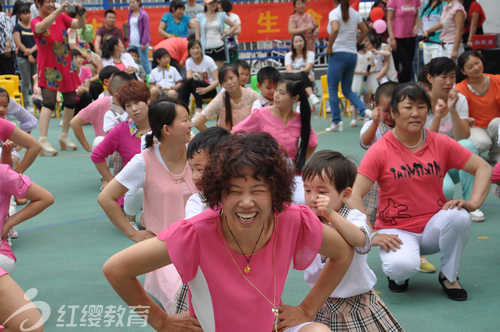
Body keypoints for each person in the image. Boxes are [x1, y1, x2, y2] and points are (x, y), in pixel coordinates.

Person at [103, 131, 353, 331]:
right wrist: (161, 321)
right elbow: (116, 269)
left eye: (258, 190)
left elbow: (342, 252)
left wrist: (307, 309)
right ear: (218, 192)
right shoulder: (196, 233)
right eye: (234, 190)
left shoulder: (292, 220)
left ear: (275, 191)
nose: (246, 202)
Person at [350, 83, 492, 301]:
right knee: (401, 267)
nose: (416, 113)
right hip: (397, 231)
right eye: (408, 107)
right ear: (394, 113)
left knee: (459, 216)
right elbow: (354, 196)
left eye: (421, 106)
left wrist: (473, 203)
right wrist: (371, 234)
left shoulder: (440, 142)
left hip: (435, 225)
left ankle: (449, 276)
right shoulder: (380, 149)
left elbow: (483, 167)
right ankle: (398, 277)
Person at [278, 150, 403, 331]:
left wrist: (330, 214)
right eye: (307, 190)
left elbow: (360, 240)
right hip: (323, 301)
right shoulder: (306, 221)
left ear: (345, 194)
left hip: (357, 303)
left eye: (322, 191)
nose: (312, 198)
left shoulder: (353, 217)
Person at [99, 98, 196, 312]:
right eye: (186, 120)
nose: (191, 124)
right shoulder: (144, 161)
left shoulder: (198, 153)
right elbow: (106, 198)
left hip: (203, 244)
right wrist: (133, 234)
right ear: (166, 129)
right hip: (166, 250)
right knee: (187, 304)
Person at [233, 78, 317, 204]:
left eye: (282, 93)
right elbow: (235, 133)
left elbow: (312, 143)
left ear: (295, 98)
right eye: (276, 90)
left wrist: (298, 162)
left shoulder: (300, 119)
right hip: (264, 173)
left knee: (302, 201)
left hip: (291, 175)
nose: (276, 95)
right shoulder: (261, 114)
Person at [0, 144, 54, 332]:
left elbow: (45, 198)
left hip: (1, 254)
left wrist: (8, 224)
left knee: (30, 325)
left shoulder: (2, 174)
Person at [425, 57, 484, 221]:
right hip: (428, 161)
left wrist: (452, 109)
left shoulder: (460, 99)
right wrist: (438, 115)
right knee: (447, 191)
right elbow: (427, 141)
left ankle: (470, 204)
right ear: (430, 78)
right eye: (443, 77)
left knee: (467, 145)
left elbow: (462, 136)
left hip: (450, 161)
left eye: (452, 76)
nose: (448, 82)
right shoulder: (420, 101)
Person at [31, 0, 86, 156]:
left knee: (70, 100)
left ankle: (64, 135)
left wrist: (81, 14)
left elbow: (79, 25)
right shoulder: (36, 21)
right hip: (48, 66)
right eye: (47, 1)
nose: (51, 4)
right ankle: (42, 139)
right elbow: (41, 28)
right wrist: (59, 10)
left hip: (65, 64)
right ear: (38, 3)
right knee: (48, 102)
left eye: (52, 1)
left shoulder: (61, 18)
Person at [91, 80, 150, 193]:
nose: (133, 108)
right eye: (128, 105)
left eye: (137, 102)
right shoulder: (121, 130)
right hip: (133, 190)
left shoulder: (163, 125)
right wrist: (112, 181)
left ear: (148, 100)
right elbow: (97, 155)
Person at [325, 0, 370, 133]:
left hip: (337, 54)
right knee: (347, 90)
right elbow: (365, 30)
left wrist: (329, 47)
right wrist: (355, 43)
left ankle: (336, 121)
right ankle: (365, 110)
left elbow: (335, 28)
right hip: (352, 54)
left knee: (332, 89)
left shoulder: (334, 12)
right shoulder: (355, 13)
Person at [70, 71, 134, 153]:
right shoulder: (102, 103)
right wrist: (88, 147)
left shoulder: (133, 103)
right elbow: (74, 122)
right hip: (108, 152)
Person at [456, 50, 500, 163]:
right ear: (463, 71)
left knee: (497, 122)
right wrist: (466, 119)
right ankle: (476, 157)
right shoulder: (460, 88)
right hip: (475, 127)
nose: (476, 68)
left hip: (495, 125)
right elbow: (459, 113)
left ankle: (496, 153)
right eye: (470, 67)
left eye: (477, 62)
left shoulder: (497, 80)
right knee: (482, 143)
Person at [194, 64, 259, 131]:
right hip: (228, 140)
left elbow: (266, 109)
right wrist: (214, 139)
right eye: (224, 80)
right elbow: (197, 123)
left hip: (249, 139)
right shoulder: (220, 99)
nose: (229, 82)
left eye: (231, 78)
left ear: (238, 77)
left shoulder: (251, 94)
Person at [179, 39, 219, 117]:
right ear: (189, 51)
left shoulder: (208, 60)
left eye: (197, 48)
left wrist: (206, 89)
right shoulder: (189, 61)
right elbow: (188, 76)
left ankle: (198, 109)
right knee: (189, 82)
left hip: (210, 90)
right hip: (197, 91)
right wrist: (195, 76)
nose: (195, 51)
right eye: (193, 49)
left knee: (194, 82)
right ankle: (184, 107)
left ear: (201, 49)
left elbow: (217, 80)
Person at [194, 0, 237, 69]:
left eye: (215, 2)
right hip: (206, 48)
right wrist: (197, 49)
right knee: (207, 72)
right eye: (211, 2)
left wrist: (226, 34)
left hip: (219, 47)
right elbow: (197, 36)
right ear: (205, 4)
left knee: (218, 72)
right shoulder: (199, 16)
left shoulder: (221, 15)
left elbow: (234, 26)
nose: (213, 4)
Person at [387, 0, 420, 83]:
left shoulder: (416, 1)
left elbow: (416, 16)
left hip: (411, 37)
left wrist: (416, 26)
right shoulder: (393, 1)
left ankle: (406, 88)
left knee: (409, 65)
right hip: (398, 38)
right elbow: (389, 20)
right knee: (406, 65)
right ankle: (399, 85)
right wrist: (392, 38)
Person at [284, 34, 320, 107]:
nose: (299, 43)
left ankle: (299, 106)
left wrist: (303, 74)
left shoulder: (310, 54)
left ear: (304, 42)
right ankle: (312, 96)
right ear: (293, 44)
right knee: (301, 75)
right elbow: (289, 71)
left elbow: (307, 69)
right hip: (295, 79)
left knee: (302, 78)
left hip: (308, 80)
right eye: (296, 41)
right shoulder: (288, 55)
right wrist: (303, 74)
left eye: (300, 41)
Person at [13, 3, 37, 108]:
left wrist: (31, 51)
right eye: (25, 13)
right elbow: (18, 42)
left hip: (35, 56)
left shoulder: (34, 25)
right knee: (26, 81)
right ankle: (26, 104)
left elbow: (38, 41)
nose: (28, 15)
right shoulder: (17, 27)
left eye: (29, 13)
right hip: (23, 57)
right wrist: (28, 53)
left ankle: (36, 102)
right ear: (20, 15)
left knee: (35, 81)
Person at [351, 44, 377, 127]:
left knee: (367, 99)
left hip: (367, 79)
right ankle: (354, 119)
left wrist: (370, 71)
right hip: (358, 80)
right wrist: (362, 72)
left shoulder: (370, 54)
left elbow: (374, 66)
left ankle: (367, 118)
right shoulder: (355, 54)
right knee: (356, 100)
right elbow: (353, 69)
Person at [127, 0, 151, 75]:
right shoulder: (130, 13)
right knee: (132, 63)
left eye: (133, 2)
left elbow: (146, 29)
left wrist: (144, 43)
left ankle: (149, 81)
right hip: (132, 43)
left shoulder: (143, 14)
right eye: (130, 2)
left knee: (144, 64)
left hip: (141, 43)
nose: (131, 4)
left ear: (138, 2)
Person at [419, 0, 446, 64]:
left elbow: (444, 22)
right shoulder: (427, 5)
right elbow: (419, 19)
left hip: (438, 42)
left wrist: (429, 31)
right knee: (427, 67)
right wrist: (425, 32)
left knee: (436, 66)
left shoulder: (444, 4)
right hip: (427, 42)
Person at [71, 49, 93, 115]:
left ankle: (86, 116)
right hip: (71, 100)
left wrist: (82, 89)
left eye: (80, 57)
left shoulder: (86, 70)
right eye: (75, 58)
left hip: (81, 99)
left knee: (87, 96)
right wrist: (76, 89)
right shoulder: (67, 72)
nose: (79, 60)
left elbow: (87, 89)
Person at [0, 3, 16, 76]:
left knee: (9, 75)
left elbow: (8, 31)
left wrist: (7, 46)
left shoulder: (4, 16)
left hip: (6, 50)